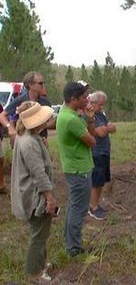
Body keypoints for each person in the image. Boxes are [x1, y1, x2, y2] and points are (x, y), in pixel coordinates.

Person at [10, 101, 56, 283]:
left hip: (33, 192)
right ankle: (34, 272)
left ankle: (41, 263)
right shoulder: (29, 142)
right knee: (39, 235)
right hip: (34, 195)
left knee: (42, 231)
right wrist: (49, 197)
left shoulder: (29, 136)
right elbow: (38, 173)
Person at [57, 81, 96, 257]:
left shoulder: (67, 113)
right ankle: (74, 248)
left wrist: (88, 118)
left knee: (74, 207)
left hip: (75, 168)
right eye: (83, 97)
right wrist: (87, 119)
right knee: (78, 209)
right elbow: (92, 141)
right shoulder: (72, 119)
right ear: (73, 99)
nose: (86, 99)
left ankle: (71, 242)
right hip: (79, 171)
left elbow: (90, 134)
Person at [0, 71, 54, 146]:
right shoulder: (20, 100)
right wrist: (10, 128)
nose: (43, 85)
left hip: (42, 141)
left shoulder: (45, 101)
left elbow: (52, 122)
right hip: (25, 142)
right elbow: (2, 115)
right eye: (40, 83)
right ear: (30, 85)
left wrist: (41, 126)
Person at [88, 91, 116, 220]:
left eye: (103, 105)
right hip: (96, 152)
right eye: (100, 105)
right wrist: (107, 128)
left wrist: (107, 128)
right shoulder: (90, 116)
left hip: (104, 151)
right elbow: (99, 132)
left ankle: (96, 205)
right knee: (96, 181)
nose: (101, 107)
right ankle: (93, 207)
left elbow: (112, 128)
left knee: (101, 181)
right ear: (92, 103)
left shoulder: (101, 115)